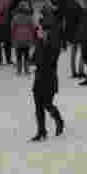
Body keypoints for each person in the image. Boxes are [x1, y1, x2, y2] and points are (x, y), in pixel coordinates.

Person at [30, 14, 64, 142]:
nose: (39, 33)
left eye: (42, 31)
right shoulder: (39, 43)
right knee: (38, 106)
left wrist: (43, 46)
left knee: (47, 104)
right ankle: (41, 131)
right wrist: (32, 60)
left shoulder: (54, 45)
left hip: (49, 78)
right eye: (39, 31)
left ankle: (59, 120)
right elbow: (34, 59)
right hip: (38, 78)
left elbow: (51, 60)